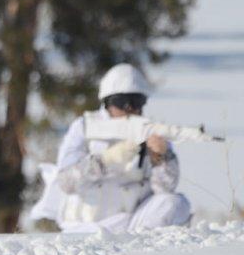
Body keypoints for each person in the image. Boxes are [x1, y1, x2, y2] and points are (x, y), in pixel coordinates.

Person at [54, 63, 191, 233]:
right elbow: (65, 182)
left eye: (137, 102)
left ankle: (143, 248)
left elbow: (164, 189)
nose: (130, 109)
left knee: (176, 203)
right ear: (107, 103)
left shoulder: (150, 131)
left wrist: (162, 157)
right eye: (122, 102)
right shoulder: (84, 128)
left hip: (132, 224)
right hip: (85, 226)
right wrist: (104, 161)